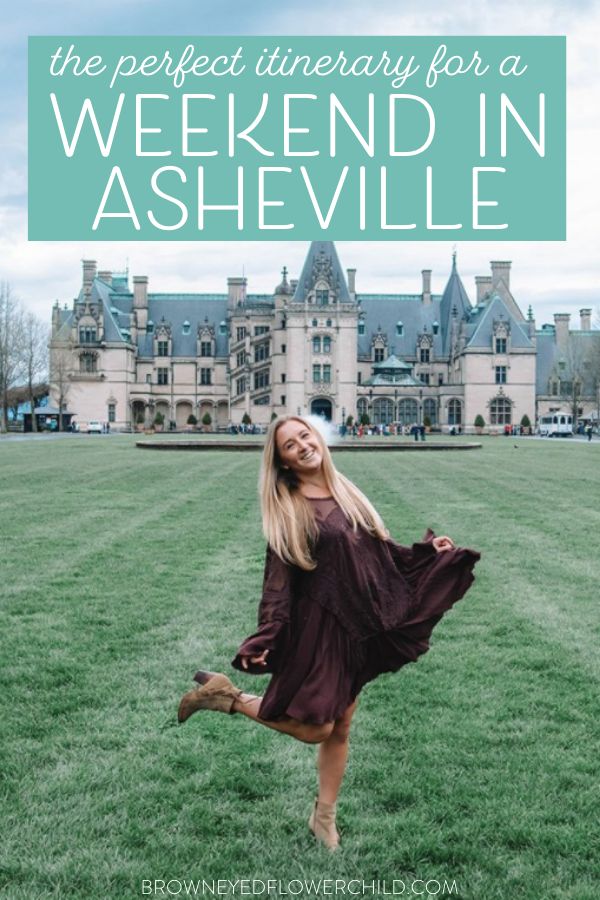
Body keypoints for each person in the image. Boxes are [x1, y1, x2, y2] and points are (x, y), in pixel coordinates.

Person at [177, 415, 480, 851]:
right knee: (317, 728)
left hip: (358, 624)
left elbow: (377, 551)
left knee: (342, 727)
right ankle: (228, 697)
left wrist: (425, 552)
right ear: (282, 462)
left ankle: (324, 819)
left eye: (304, 435)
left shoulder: (344, 489)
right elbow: (277, 582)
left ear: (316, 437)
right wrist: (266, 635)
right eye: (288, 445)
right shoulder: (290, 508)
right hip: (320, 630)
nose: (301, 445)